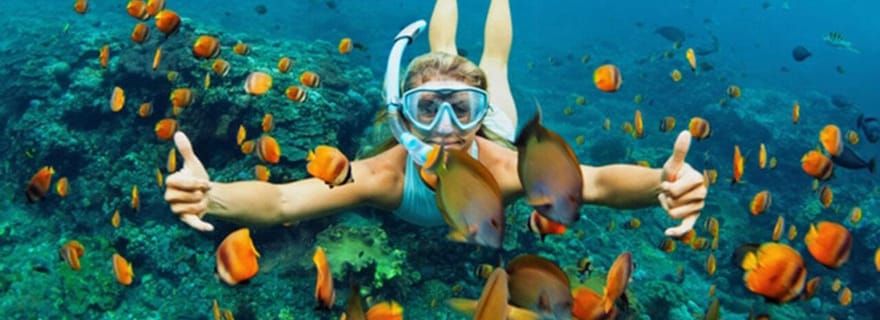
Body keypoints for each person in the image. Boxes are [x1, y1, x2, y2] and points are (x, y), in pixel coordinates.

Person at [164, 0, 706, 238]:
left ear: (480, 112)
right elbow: (284, 202)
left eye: (461, 108)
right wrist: (210, 195)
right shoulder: (383, 176)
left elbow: (600, 183)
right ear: (406, 116)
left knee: (493, 62)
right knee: (442, 45)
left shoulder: (507, 165)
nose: (447, 124)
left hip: (498, 130)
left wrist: (663, 182)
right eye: (429, 108)